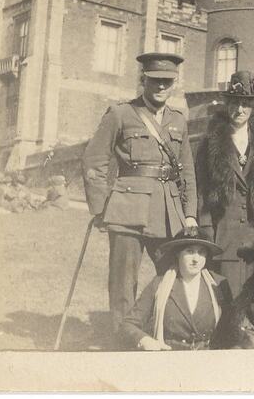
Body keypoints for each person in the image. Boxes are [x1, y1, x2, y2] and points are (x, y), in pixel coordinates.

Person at [82, 52, 198, 338]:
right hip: (127, 210)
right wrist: (100, 208)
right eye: (155, 80)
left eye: (167, 82)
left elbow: (186, 171)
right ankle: (123, 339)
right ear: (144, 80)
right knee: (123, 283)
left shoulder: (178, 120)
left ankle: (167, 333)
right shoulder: (120, 114)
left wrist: (190, 213)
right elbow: (95, 160)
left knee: (173, 275)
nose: (161, 87)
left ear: (174, 84)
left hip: (168, 213)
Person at [195, 70, 254, 296]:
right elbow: (202, 190)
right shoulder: (210, 142)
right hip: (225, 236)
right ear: (227, 104)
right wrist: (206, 230)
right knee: (226, 298)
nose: (239, 109)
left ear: (253, 107)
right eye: (234, 103)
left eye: (246, 104)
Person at [120, 228, 232, 350]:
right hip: (170, 356)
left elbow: (232, 326)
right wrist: (144, 339)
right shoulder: (159, 284)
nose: (196, 259)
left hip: (208, 356)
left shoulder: (218, 284)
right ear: (178, 253)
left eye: (201, 252)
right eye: (190, 251)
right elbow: (128, 324)